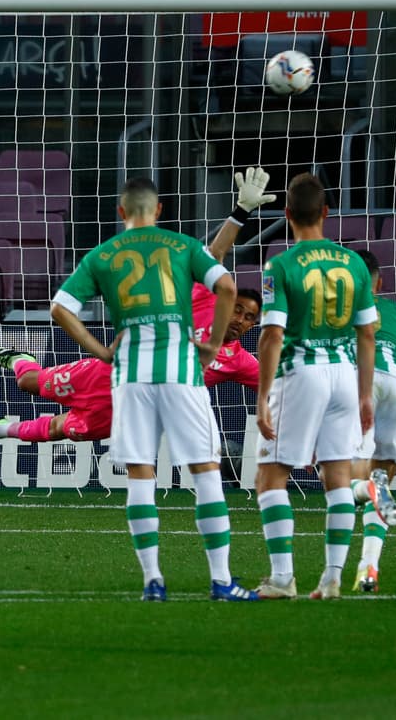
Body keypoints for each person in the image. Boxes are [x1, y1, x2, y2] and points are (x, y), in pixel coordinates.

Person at [43, 177, 257, 602]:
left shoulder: (101, 255)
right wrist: (214, 343)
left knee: (141, 474)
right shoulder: (180, 246)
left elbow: (59, 308)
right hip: (181, 371)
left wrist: (101, 351)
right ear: (158, 211)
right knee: (206, 471)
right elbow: (227, 286)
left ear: (122, 213)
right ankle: (221, 581)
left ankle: (153, 582)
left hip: (130, 374)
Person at [0, 167, 272, 447]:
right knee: (28, 383)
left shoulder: (240, 363)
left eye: (249, 318)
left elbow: (280, 380)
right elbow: (216, 254)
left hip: (129, 408)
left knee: (57, 429)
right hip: (104, 375)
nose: (241, 319)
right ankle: (17, 358)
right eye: (238, 309)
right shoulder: (204, 297)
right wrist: (241, 211)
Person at [253, 173, 378, 601]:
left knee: (271, 477)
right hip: (345, 374)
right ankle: (331, 578)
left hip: (302, 373)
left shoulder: (280, 266)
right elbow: (368, 335)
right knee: (339, 478)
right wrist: (364, 394)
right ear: (326, 213)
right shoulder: (355, 263)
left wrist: (262, 398)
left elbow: (271, 335)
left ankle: (283, 578)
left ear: (286, 215)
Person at [347, 249, 396, 593]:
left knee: (342, 484)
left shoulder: (333, 313)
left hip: (353, 383)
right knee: (381, 480)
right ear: (380, 282)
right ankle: (368, 569)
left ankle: (368, 489)